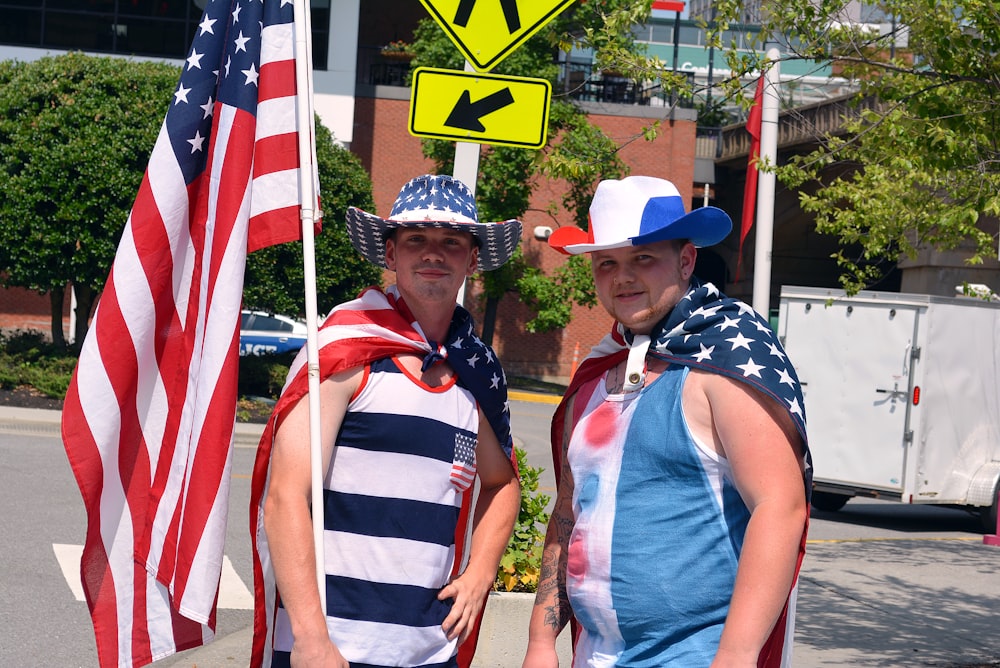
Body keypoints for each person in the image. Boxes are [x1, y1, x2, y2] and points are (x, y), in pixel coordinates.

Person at [522, 176, 811, 668]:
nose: (623, 277)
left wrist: (736, 657)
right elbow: (570, 511)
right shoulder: (598, 370)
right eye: (607, 263)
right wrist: (539, 641)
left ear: (686, 260)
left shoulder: (724, 361)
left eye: (643, 259)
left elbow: (780, 508)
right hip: (592, 657)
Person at [249, 174, 523, 668]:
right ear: (391, 255)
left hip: (428, 649)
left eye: (452, 242)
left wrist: (481, 572)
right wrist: (311, 639)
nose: (433, 253)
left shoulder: (476, 371)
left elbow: (502, 482)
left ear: (472, 260)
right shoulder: (342, 351)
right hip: (332, 648)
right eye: (416, 239)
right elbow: (285, 495)